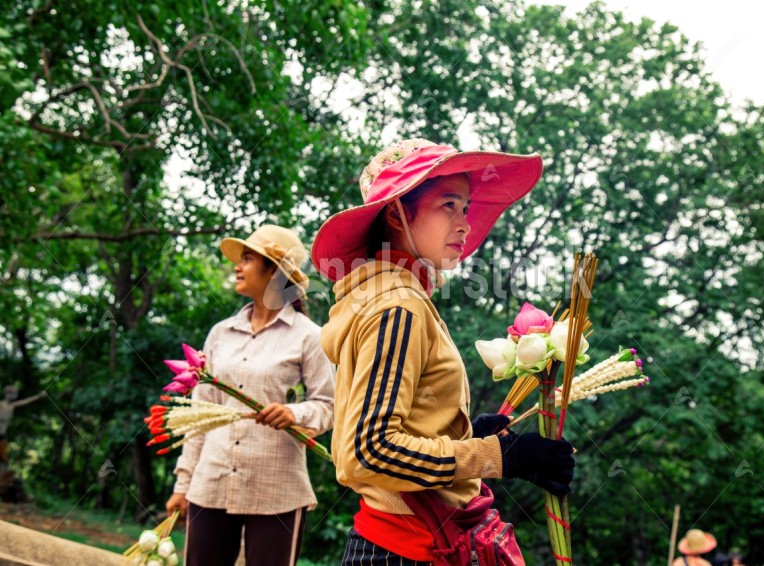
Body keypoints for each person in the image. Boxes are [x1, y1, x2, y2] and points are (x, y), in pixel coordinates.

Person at [312, 138, 576, 564]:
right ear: (397, 213)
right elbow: (370, 452)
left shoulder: (387, 296)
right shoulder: (398, 306)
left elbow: (399, 426)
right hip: (405, 551)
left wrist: (468, 436)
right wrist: (501, 456)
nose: (464, 225)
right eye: (448, 205)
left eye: (465, 208)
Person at [165, 225, 335, 566]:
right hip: (210, 482)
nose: (237, 267)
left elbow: (329, 405)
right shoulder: (221, 334)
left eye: (247, 259)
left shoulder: (310, 337)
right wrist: (183, 484)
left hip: (277, 489)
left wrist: (294, 414)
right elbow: (200, 413)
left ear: (274, 271)